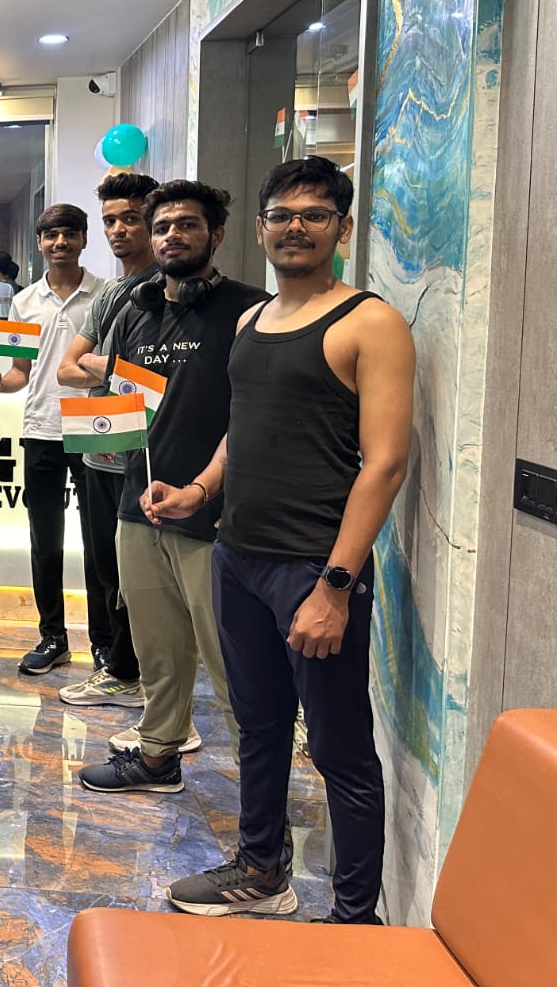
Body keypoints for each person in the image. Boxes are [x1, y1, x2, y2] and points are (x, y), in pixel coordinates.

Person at [160, 158, 413, 921]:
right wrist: (201, 489)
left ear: (342, 226)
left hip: (313, 566)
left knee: (340, 750)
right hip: (238, 556)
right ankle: (261, 870)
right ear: (261, 228)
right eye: (281, 214)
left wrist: (336, 586)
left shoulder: (369, 322)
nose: (295, 227)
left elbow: (386, 464)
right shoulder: (252, 321)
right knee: (259, 726)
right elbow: (242, 430)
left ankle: (355, 919)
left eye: (314, 214)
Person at [76, 180, 271, 794]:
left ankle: (261, 796)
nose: (171, 236)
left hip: (217, 514)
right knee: (156, 647)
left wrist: (206, 487)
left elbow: (256, 414)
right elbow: (124, 399)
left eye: (187, 225)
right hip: (141, 505)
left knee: (231, 658)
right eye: (162, 226)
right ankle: (158, 755)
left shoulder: (250, 310)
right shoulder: (135, 310)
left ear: (217, 235)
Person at [0, 204, 104, 674]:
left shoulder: (106, 294)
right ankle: (53, 636)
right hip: (41, 429)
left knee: (99, 543)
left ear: (83, 239)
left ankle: (104, 642)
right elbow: (19, 373)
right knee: (45, 541)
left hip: (95, 429)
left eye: (69, 234)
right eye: (51, 235)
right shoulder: (23, 301)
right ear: (39, 243)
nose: (60, 243)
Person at [54, 174, 161, 708]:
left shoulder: (170, 289)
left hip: (153, 458)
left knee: (145, 577)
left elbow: (168, 385)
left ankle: (140, 676)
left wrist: (104, 369)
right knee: (106, 568)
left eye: (130, 219)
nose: (119, 230)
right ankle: (120, 668)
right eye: (110, 221)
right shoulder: (112, 294)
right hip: (100, 448)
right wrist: (121, 371)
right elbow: (66, 369)